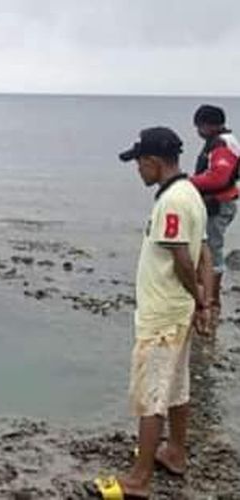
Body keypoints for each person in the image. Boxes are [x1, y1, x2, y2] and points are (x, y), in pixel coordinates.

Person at [91, 127, 213, 499]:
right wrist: (204, 300)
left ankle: (138, 480)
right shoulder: (191, 192)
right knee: (176, 386)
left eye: (139, 163)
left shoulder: (171, 203)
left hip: (162, 314)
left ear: (153, 162)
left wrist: (200, 298)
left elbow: (182, 259)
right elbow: (204, 252)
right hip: (178, 310)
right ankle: (174, 452)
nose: (137, 171)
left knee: (150, 394)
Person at [190, 105, 239, 334]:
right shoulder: (224, 141)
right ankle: (207, 295)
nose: (198, 131)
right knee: (208, 250)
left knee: (212, 252)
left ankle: (212, 301)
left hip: (219, 205)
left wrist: (188, 182)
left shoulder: (221, 144)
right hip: (219, 204)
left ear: (208, 125)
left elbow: (219, 177)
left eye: (199, 126)